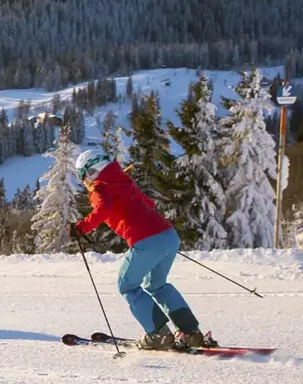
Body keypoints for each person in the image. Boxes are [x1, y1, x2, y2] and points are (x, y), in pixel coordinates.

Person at [72, 150, 216, 350]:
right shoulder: (123, 180)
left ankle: (158, 334)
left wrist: (80, 228)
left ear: (91, 171)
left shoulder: (99, 187)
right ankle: (191, 332)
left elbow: (102, 210)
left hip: (147, 241)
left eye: (81, 176)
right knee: (157, 285)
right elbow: (147, 203)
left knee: (127, 285)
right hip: (168, 235)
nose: (83, 181)